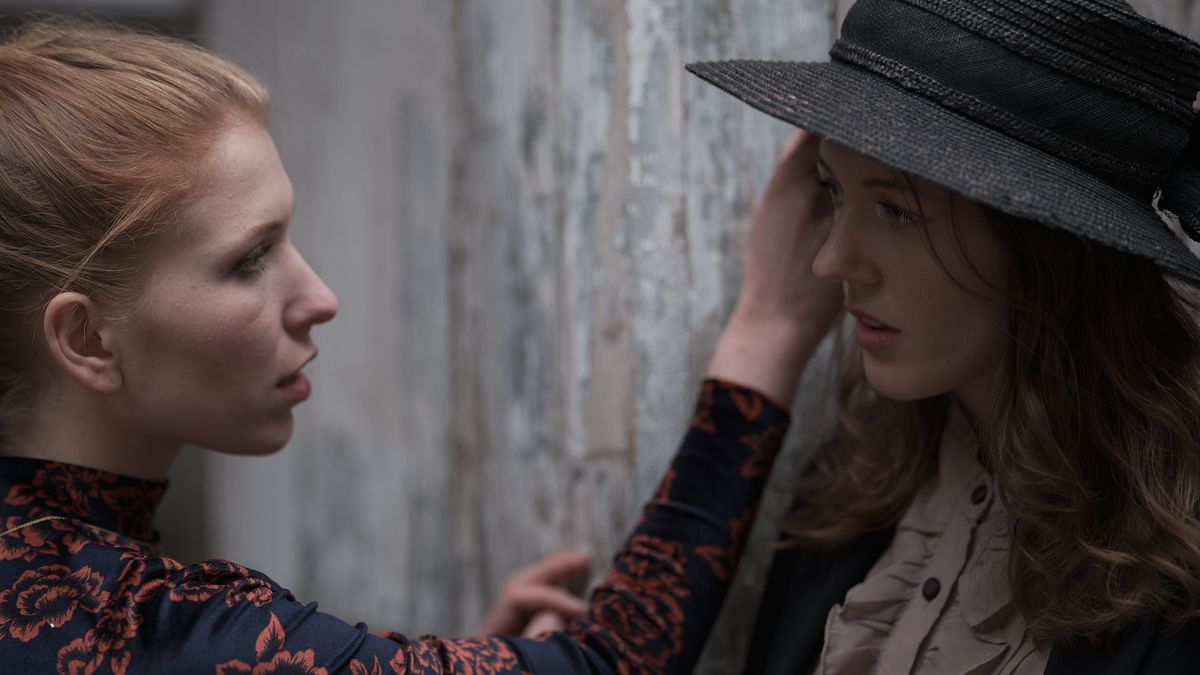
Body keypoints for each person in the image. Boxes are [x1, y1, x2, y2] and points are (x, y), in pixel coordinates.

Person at [0, 16, 836, 674]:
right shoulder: (144, 626)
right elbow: (612, 661)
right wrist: (769, 329)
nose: (320, 298)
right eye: (249, 259)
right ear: (85, 338)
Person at [686, 0, 1200, 673]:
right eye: (835, 192)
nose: (829, 262)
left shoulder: (1177, 575)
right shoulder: (846, 496)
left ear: (1048, 244)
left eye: (898, 211)